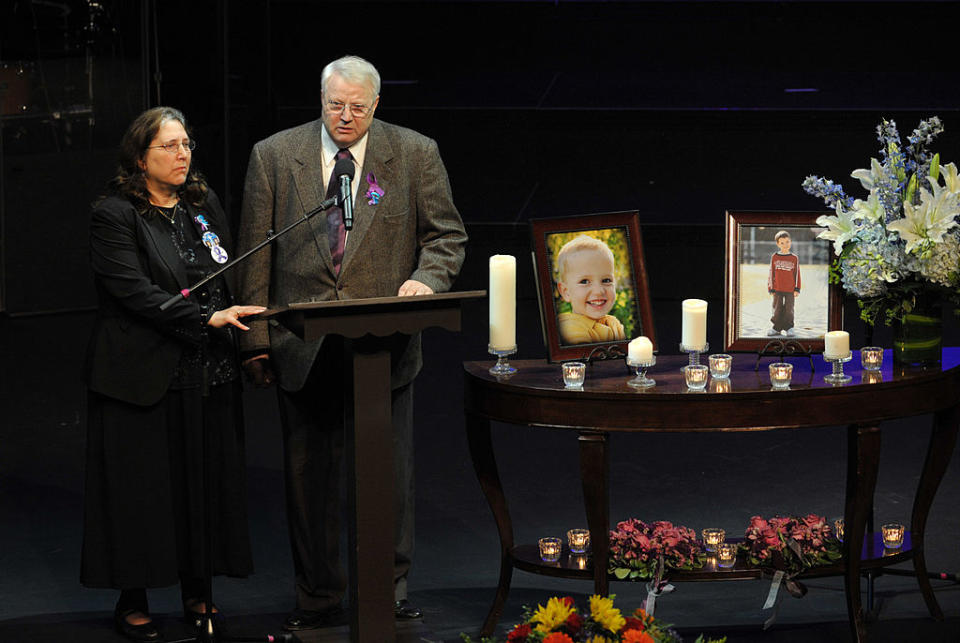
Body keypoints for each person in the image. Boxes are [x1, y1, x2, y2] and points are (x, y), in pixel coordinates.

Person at [236, 55, 467, 631]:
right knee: (308, 479)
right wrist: (255, 343)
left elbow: (446, 236)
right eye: (335, 105)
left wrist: (428, 280)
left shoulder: (414, 153)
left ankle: (386, 590)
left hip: (383, 349)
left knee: (388, 479)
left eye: (357, 108)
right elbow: (257, 255)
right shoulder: (273, 155)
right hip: (301, 345)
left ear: (376, 106)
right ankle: (317, 597)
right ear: (320, 98)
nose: (345, 116)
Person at [81, 106, 263, 642]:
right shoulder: (114, 214)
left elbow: (224, 272)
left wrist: (242, 337)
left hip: (207, 371)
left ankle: (197, 589)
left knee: (203, 487)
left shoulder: (201, 207)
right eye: (170, 146)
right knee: (141, 492)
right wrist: (205, 316)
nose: (183, 155)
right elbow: (132, 291)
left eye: (187, 144)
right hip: (139, 375)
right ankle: (132, 599)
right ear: (140, 158)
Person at [555, 234, 626, 345]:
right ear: (566, 292)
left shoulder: (613, 323)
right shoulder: (570, 328)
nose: (598, 291)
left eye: (606, 280)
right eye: (584, 281)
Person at [767, 230, 801, 337]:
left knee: (789, 309)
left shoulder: (794, 258)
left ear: (790, 242)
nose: (785, 245)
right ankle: (776, 328)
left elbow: (797, 275)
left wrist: (797, 288)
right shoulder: (775, 257)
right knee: (777, 309)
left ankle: (789, 328)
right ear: (778, 244)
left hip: (790, 290)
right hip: (777, 289)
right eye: (782, 243)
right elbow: (771, 273)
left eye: (787, 242)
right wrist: (771, 288)